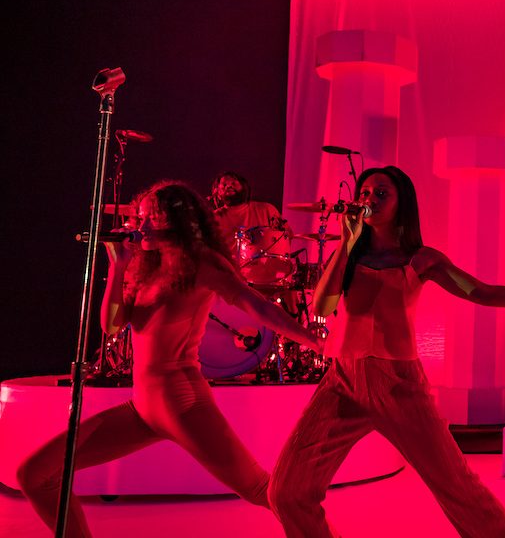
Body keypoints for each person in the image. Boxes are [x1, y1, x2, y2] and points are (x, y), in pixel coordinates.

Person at [269, 165, 505, 538]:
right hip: (342, 383)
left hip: (398, 386)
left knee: (457, 487)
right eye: (365, 192)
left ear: (401, 203)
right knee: (287, 491)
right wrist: (346, 242)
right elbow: (322, 309)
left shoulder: (421, 259)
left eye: (381, 193)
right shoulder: (349, 255)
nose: (369, 200)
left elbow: (482, 292)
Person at [17, 181, 321, 537]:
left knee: (260, 489)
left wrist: (314, 341)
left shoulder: (202, 263)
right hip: (142, 409)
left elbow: (257, 306)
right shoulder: (144, 266)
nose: (141, 225)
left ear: (178, 220)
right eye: (140, 217)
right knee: (36, 474)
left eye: (152, 217)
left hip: (183, 403)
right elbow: (111, 324)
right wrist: (117, 266)